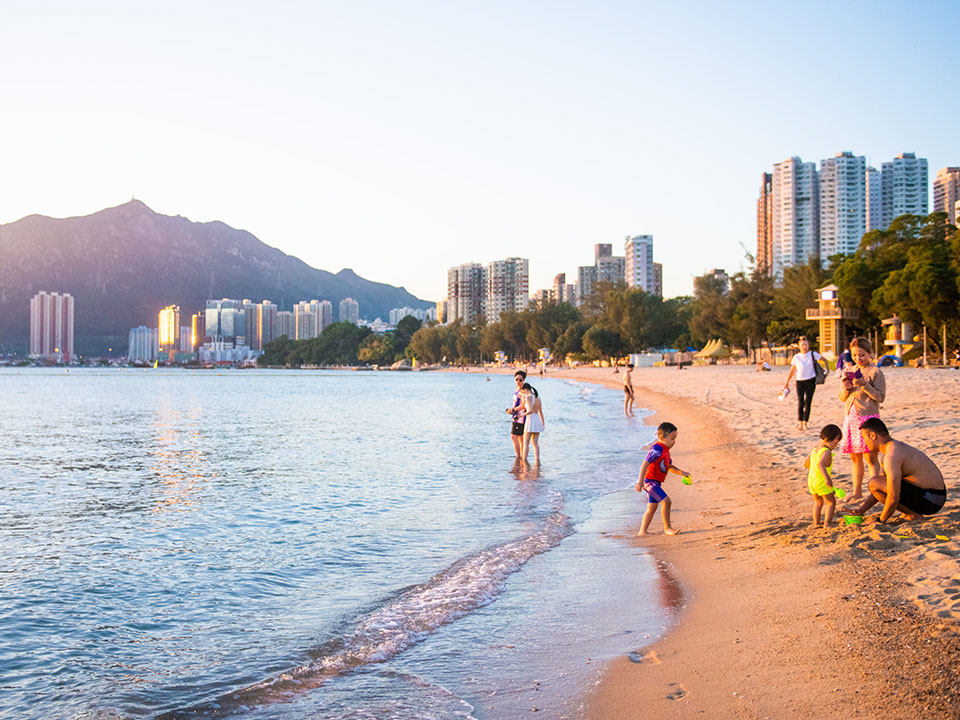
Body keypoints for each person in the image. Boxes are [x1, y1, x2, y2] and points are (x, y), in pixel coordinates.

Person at [843, 418, 947, 522]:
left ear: (873, 435)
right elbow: (879, 487)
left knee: (874, 482)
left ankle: (913, 515)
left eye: (864, 438)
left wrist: (881, 520)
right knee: (876, 483)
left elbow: (893, 497)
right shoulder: (891, 449)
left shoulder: (892, 455)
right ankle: (910, 513)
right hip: (932, 497)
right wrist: (862, 510)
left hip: (931, 499)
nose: (864, 443)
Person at [838, 337, 886, 499]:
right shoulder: (850, 371)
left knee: (870, 457)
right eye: (855, 355)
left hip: (867, 419)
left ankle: (876, 491)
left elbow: (880, 397)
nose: (858, 358)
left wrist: (864, 384)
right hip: (851, 418)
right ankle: (857, 492)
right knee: (854, 457)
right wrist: (846, 387)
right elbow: (842, 397)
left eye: (862, 355)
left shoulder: (876, 372)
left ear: (870, 353)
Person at [634, 422, 689, 536]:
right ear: (662, 437)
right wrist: (640, 482)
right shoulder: (657, 449)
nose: (674, 441)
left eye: (675, 439)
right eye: (672, 438)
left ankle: (642, 531)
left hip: (656, 483)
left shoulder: (665, 451)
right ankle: (667, 528)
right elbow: (645, 464)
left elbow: (669, 466)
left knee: (652, 507)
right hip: (649, 482)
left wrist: (681, 472)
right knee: (666, 501)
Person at [782, 336, 826, 431]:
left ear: (808, 345)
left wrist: (828, 371)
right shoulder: (796, 357)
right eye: (802, 345)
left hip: (811, 380)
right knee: (800, 402)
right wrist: (787, 382)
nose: (804, 346)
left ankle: (805, 423)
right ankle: (800, 423)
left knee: (808, 402)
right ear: (799, 346)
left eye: (806, 344)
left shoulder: (813, 354)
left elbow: (824, 359)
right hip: (800, 381)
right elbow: (792, 370)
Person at [804, 424, 842, 528]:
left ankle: (816, 523)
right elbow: (820, 464)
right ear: (828, 439)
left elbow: (806, 463)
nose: (835, 446)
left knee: (818, 502)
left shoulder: (815, 449)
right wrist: (827, 479)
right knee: (831, 502)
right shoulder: (826, 452)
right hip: (821, 482)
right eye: (835, 443)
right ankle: (827, 523)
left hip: (812, 481)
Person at [518, 382, 545, 462]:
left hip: (530, 420)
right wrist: (543, 423)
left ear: (525, 389)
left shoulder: (528, 397)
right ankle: (537, 461)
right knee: (535, 443)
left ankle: (524, 461)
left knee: (526, 443)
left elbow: (530, 411)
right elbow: (540, 411)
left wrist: (521, 416)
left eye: (523, 392)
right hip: (538, 421)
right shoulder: (538, 397)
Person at [504, 370, 527, 457]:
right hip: (515, 416)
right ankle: (520, 457)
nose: (518, 382)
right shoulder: (516, 390)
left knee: (515, 437)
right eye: (516, 379)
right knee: (518, 438)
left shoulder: (522, 391)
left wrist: (513, 410)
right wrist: (511, 410)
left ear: (523, 380)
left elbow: (524, 405)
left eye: (520, 380)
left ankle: (519, 457)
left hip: (520, 418)